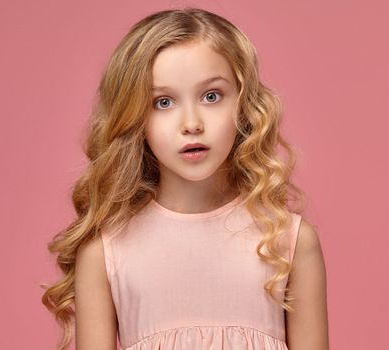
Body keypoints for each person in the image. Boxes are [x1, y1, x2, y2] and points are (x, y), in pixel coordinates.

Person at [41, 7, 329, 350]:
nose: (191, 122)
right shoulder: (105, 252)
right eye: (163, 102)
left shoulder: (287, 241)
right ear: (134, 117)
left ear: (244, 103)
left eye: (211, 96)